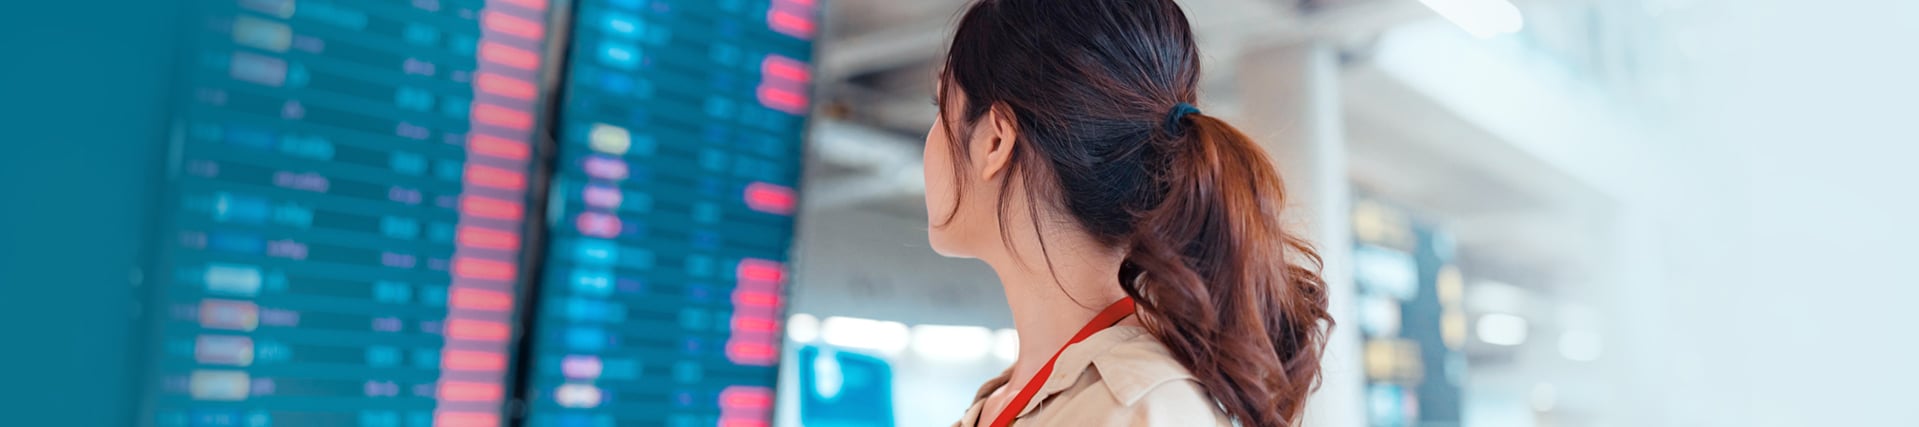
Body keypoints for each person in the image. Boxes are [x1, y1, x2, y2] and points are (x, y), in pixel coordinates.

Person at [920, 0, 1333, 425]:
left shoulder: (1143, 410)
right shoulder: (1023, 399)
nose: (930, 140)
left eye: (940, 108)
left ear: (995, 141)